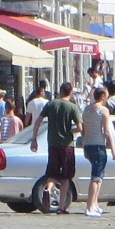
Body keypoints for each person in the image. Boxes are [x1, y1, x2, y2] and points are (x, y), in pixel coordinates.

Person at [28, 82, 81, 213]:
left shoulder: (50, 104)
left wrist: (34, 139)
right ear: (70, 92)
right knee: (66, 176)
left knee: (52, 173)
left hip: (52, 144)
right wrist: (70, 130)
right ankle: (61, 207)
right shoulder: (72, 107)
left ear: (60, 91)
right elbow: (80, 127)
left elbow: (38, 121)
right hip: (67, 145)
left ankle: (48, 188)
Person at [79, 85, 115, 217]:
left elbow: (83, 129)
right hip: (98, 145)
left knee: (100, 175)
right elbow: (106, 131)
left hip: (88, 144)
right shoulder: (103, 110)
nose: (107, 98)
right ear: (102, 97)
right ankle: (89, 207)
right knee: (96, 177)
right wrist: (113, 149)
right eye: (106, 96)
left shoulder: (86, 109)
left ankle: (94, 203)